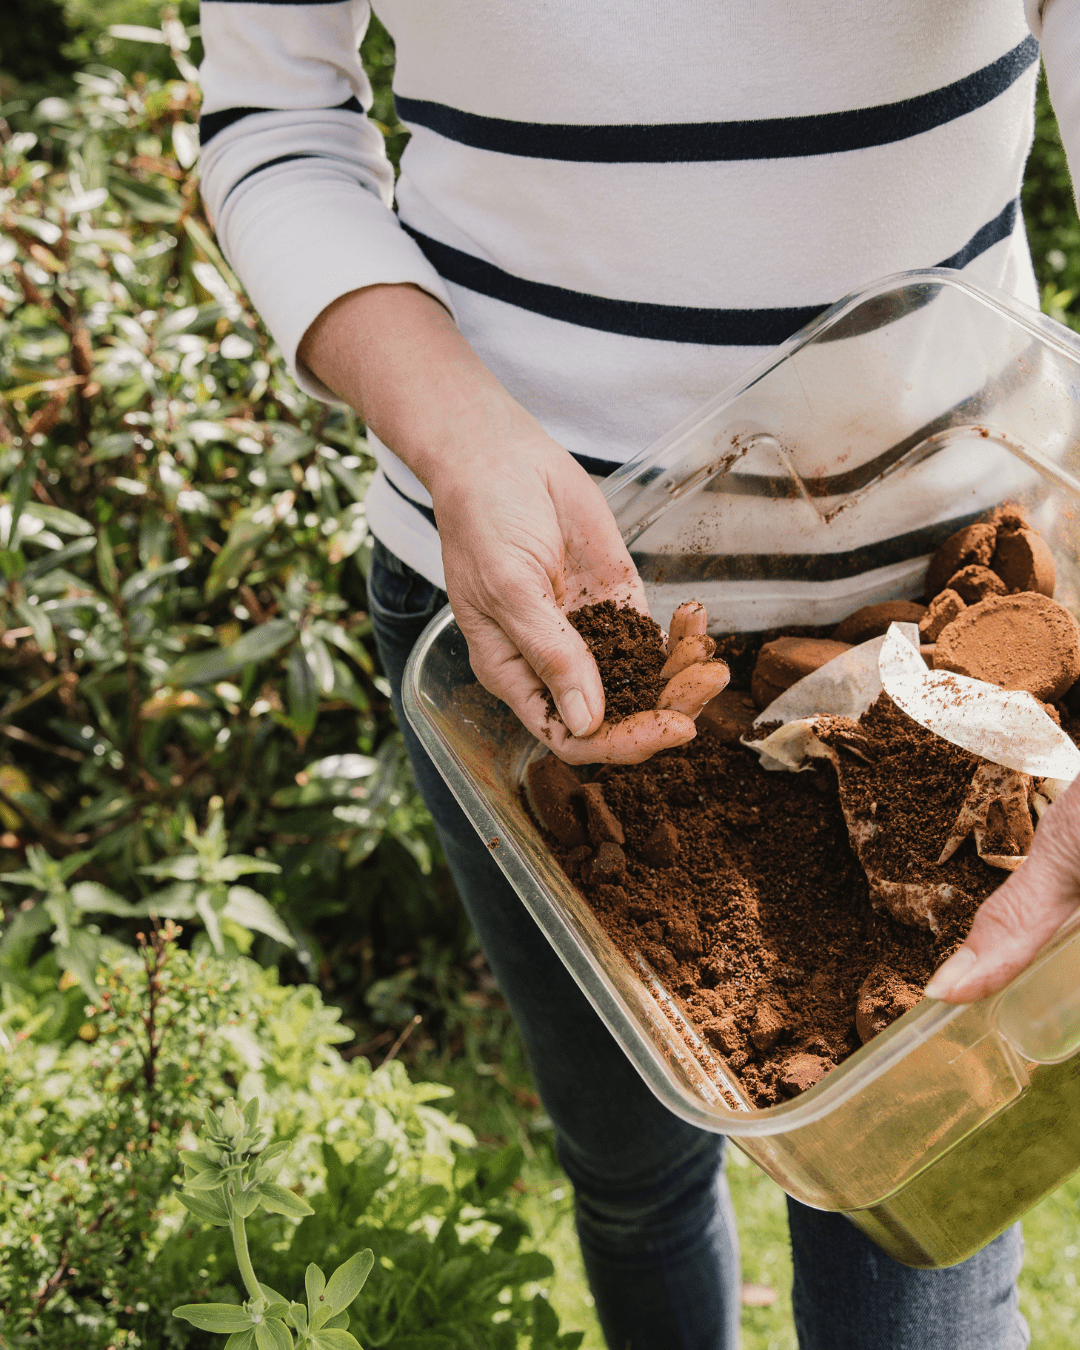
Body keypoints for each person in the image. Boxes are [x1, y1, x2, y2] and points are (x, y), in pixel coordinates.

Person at [198, 3, 1080, 1345]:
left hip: (944, 634)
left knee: (916, 1253)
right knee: (629, 1170)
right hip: (530, 632)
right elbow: (272, 119)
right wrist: (456, 434)